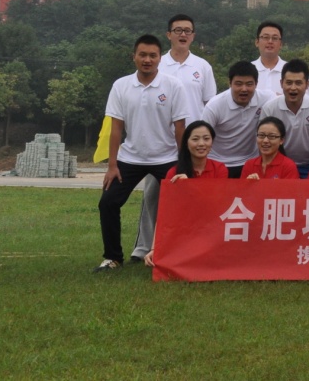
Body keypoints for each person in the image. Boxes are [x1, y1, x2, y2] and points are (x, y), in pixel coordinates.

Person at [94, 35, 190, 273]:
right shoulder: (121, 85)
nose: (147, 60)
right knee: (108, 203)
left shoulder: (173, 85)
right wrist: (112, 165)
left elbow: (180, 127)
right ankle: (113, 257)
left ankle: (177, 255)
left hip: (166, 158)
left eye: (153, 56)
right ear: (134, 57)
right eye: (143, 55)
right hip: (130, 158)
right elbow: (116, 128)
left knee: (183, 206)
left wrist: (183, 165)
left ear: (160, 59)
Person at [132, 14, 217, 264]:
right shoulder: (158, 63)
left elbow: (209, 105)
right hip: (162, 142)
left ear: (193, 36)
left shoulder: (202, 66)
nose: (183, 34)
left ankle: (190, 245)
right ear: (168, 34)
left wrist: (205, 140)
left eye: (187, 31)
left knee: (195, 197)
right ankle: (144, 247)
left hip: (194, 144)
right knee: (153, 195)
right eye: (178, 30)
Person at [144, 120, 228, 268]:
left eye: (206, 139)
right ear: (186, 143)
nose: (201, 144)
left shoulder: (220, 169)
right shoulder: (174, 173)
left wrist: (189, 187)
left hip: (212, 230)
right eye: (195, 139)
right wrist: (154, 249)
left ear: (212, 142)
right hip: (183, 232)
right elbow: (165, 214)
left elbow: (218, 205)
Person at [260, 60, 309, 177]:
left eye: (298, 83)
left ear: (307, 84)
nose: (293, 88)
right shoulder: (269, 108)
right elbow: (264, 142)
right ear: (281, 83)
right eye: (289, 83)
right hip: (280, 164)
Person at [201, 61, 267, 177]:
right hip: (218, 162)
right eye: (238, 84)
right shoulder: (214, 106)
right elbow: (202, 136)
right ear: (230, 83)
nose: (244, 89)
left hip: (250, 162)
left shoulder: (266, 98)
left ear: (256, 84)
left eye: (249, 84)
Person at [251, 21, 286, 96]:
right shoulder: (247, 69)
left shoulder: (291, 70)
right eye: (266, 37)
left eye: (275, 38)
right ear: (257, 42)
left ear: (281, 44)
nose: (270, 41)